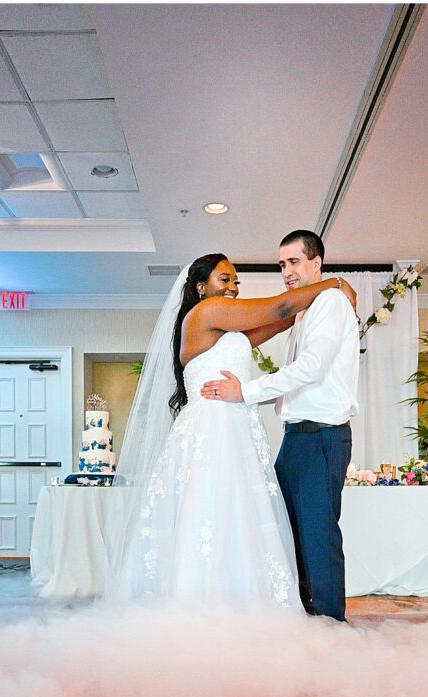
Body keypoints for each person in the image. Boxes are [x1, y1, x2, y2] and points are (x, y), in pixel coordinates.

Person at [109, 253, 353, 607]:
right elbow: (280, 309)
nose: (234, 287)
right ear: (200, 286)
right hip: (212, 431)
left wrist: (317, 307)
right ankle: (203, 605)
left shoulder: (225, 328)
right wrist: (334, 285)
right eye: (225, 279)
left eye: (236, 281)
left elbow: (280, 322)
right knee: (211, 512)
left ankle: (239, 600)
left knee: (237, 518)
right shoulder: (206, 313)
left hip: (236, 428)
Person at [201, 230, 360, 622]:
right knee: (290, 532)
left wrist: (245, 392)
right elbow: (296, 378)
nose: (287, 271)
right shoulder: (305, 311)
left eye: (294, 262)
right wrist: (249, 400)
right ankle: (306, 614)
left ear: (316, 263)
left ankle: (330, 622)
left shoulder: (331, 301)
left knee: (318, 535)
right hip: (297, 437)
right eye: (282, 264)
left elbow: (311, 369)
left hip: (322, 435)